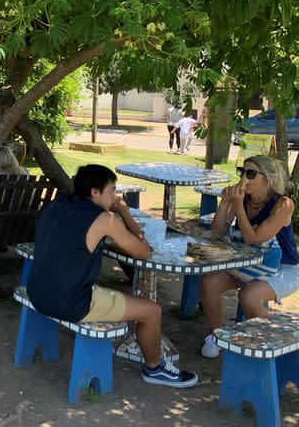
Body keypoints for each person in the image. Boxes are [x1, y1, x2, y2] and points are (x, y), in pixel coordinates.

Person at [27, 164, 198, 388]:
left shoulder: (56, 204)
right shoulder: (105, 219)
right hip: (71, 303)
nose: (116, 196)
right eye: (112, 190)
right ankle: (155, 369)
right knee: (152, 311)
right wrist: (124, 212)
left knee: (114, 294)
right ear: (95, 192)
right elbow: (144, 251)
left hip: (37, 291)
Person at [199, 155, 299, 358]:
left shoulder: (284, 204)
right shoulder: (242, 199)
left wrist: (237, 205)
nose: (244, 177)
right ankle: (216, 337)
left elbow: (254, 238)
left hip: (283, 269)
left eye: (251, 174)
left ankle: (279, 344)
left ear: (268, 178)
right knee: (209, 281)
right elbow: (217, 231)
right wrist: (225, 202)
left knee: (249, 296)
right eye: (242, 171)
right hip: (247, 263)